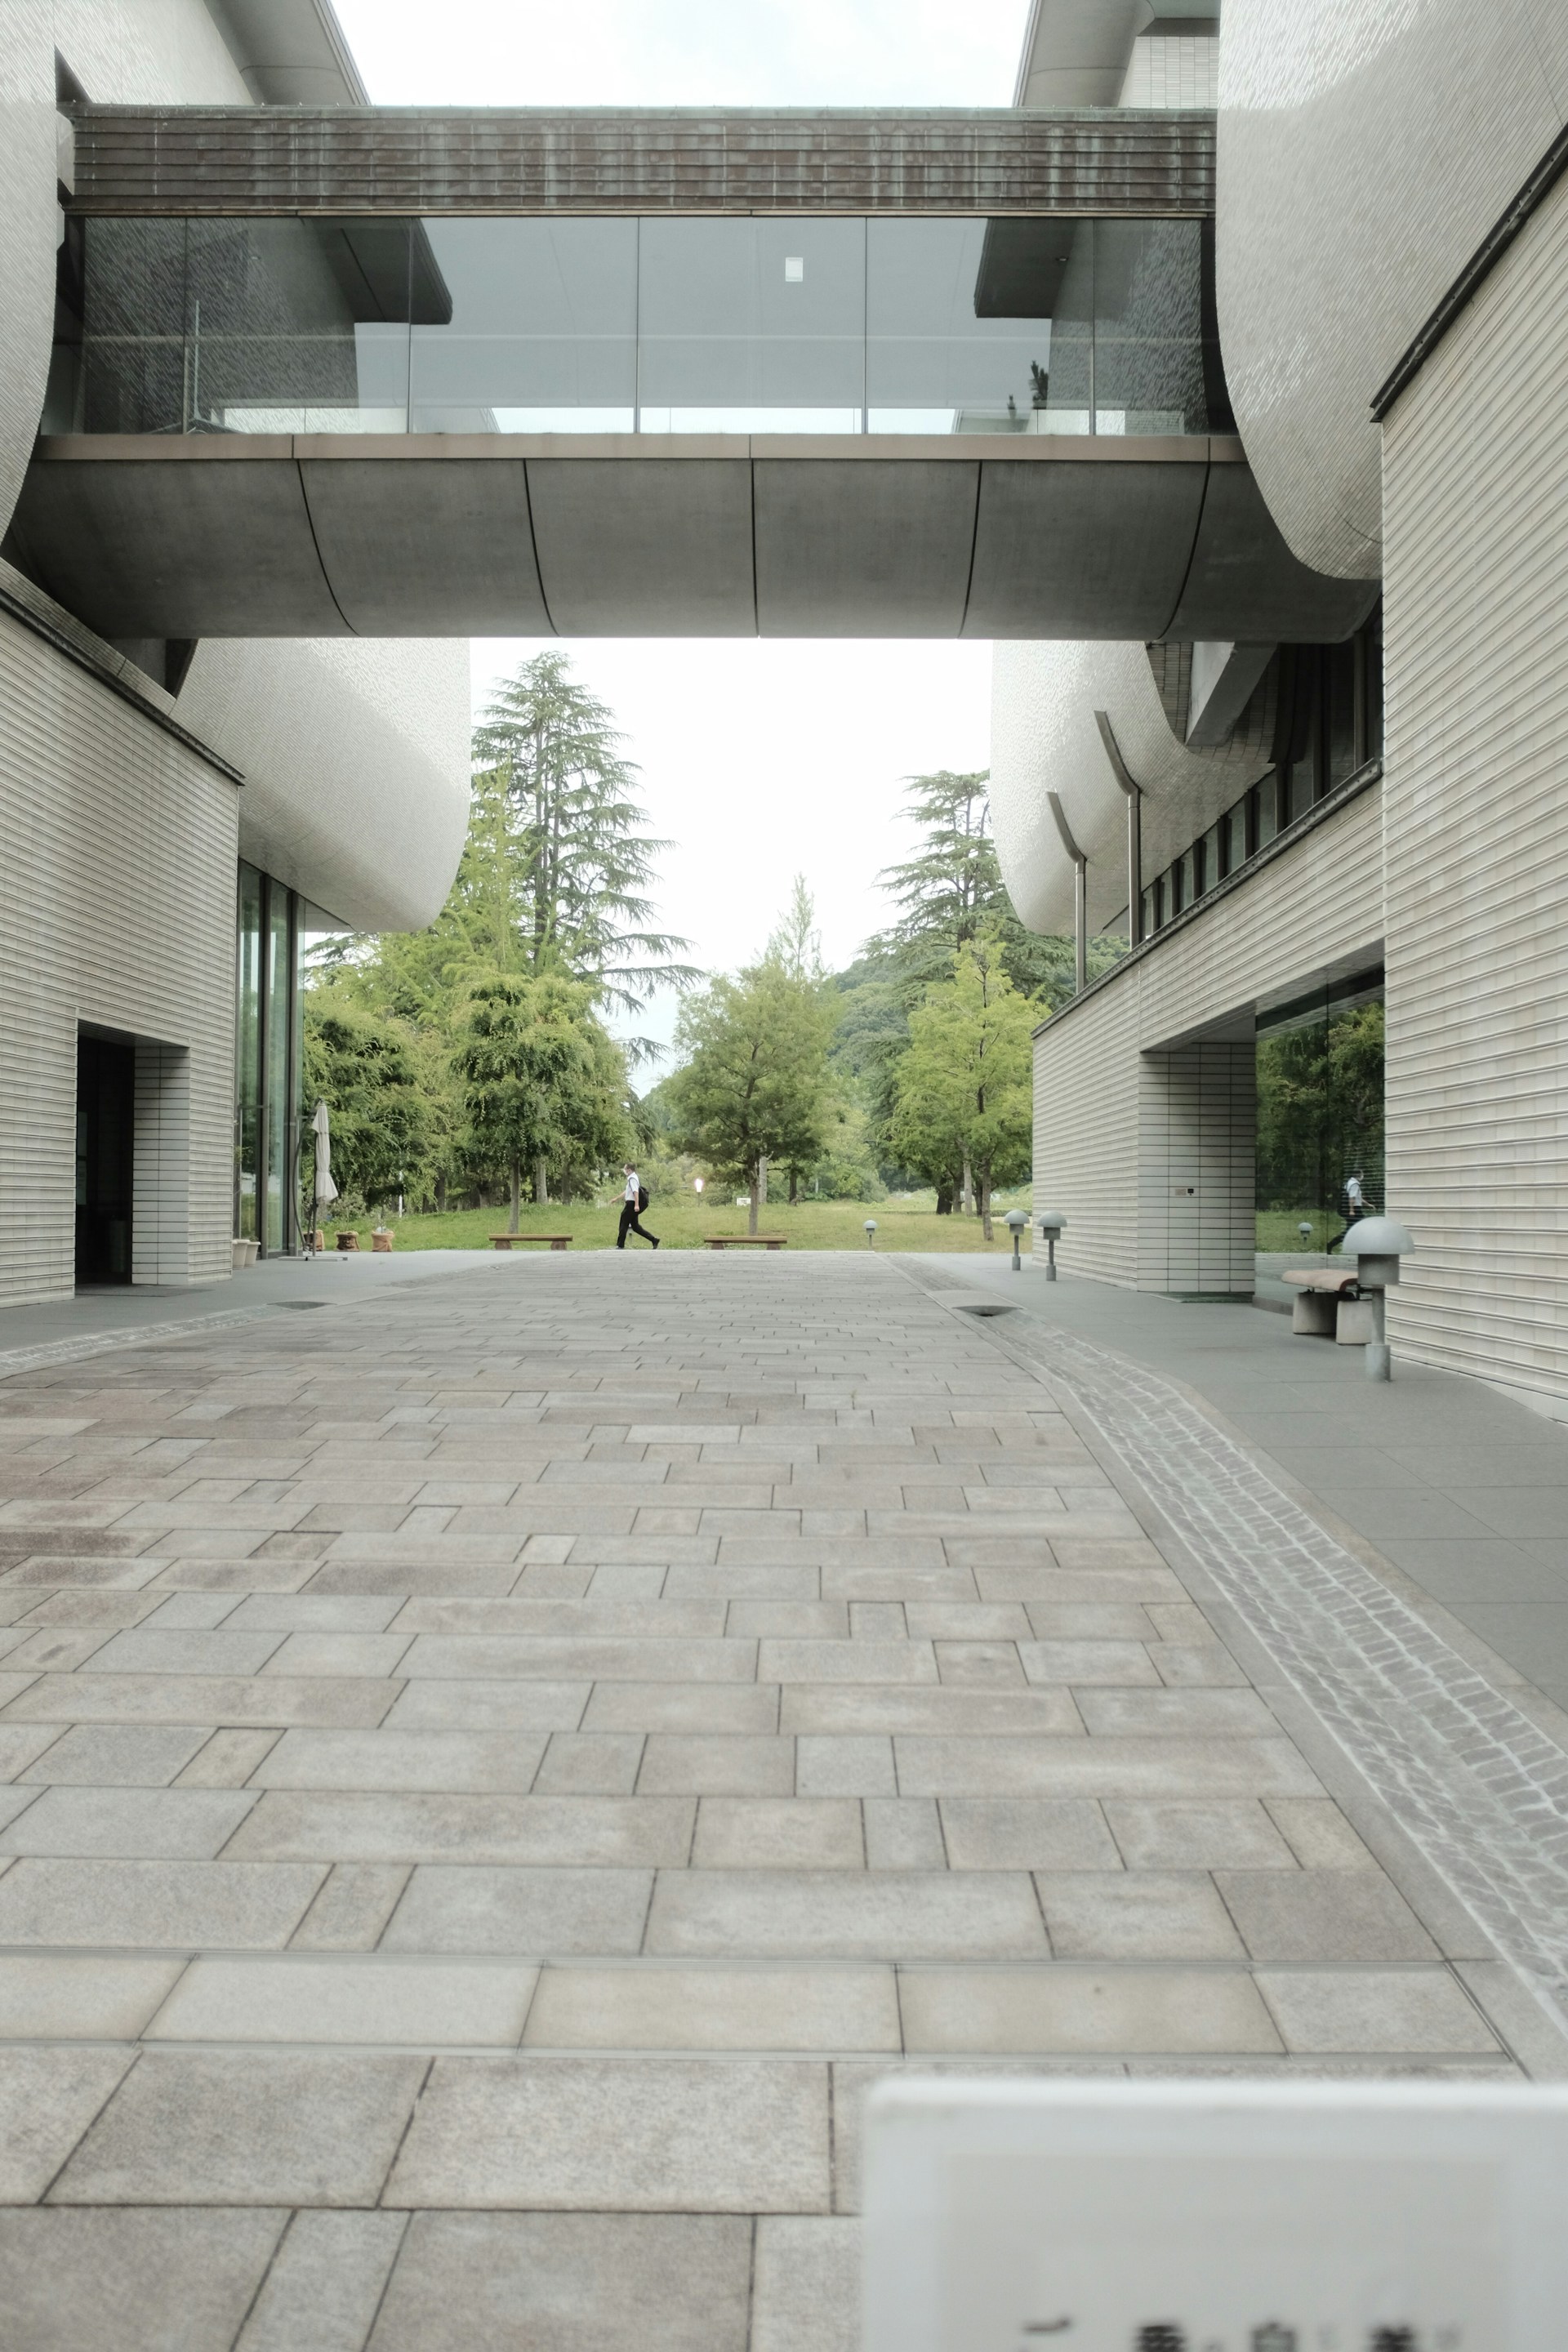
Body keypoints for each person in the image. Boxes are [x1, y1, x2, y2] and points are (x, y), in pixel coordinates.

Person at [617, 1162, 659, 1250]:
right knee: (635, 1227)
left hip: (631, 1204)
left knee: (623, 1222)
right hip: (631, 1203)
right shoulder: (633, 1178)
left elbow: (635, 1192)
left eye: (625, 1169)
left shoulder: (632, 1179)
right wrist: (616, 1199)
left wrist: (636, 1205)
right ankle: (653, 1240)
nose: (624, 1171)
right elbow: (627, 1191)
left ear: (629, 1170)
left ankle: (620, 1245)